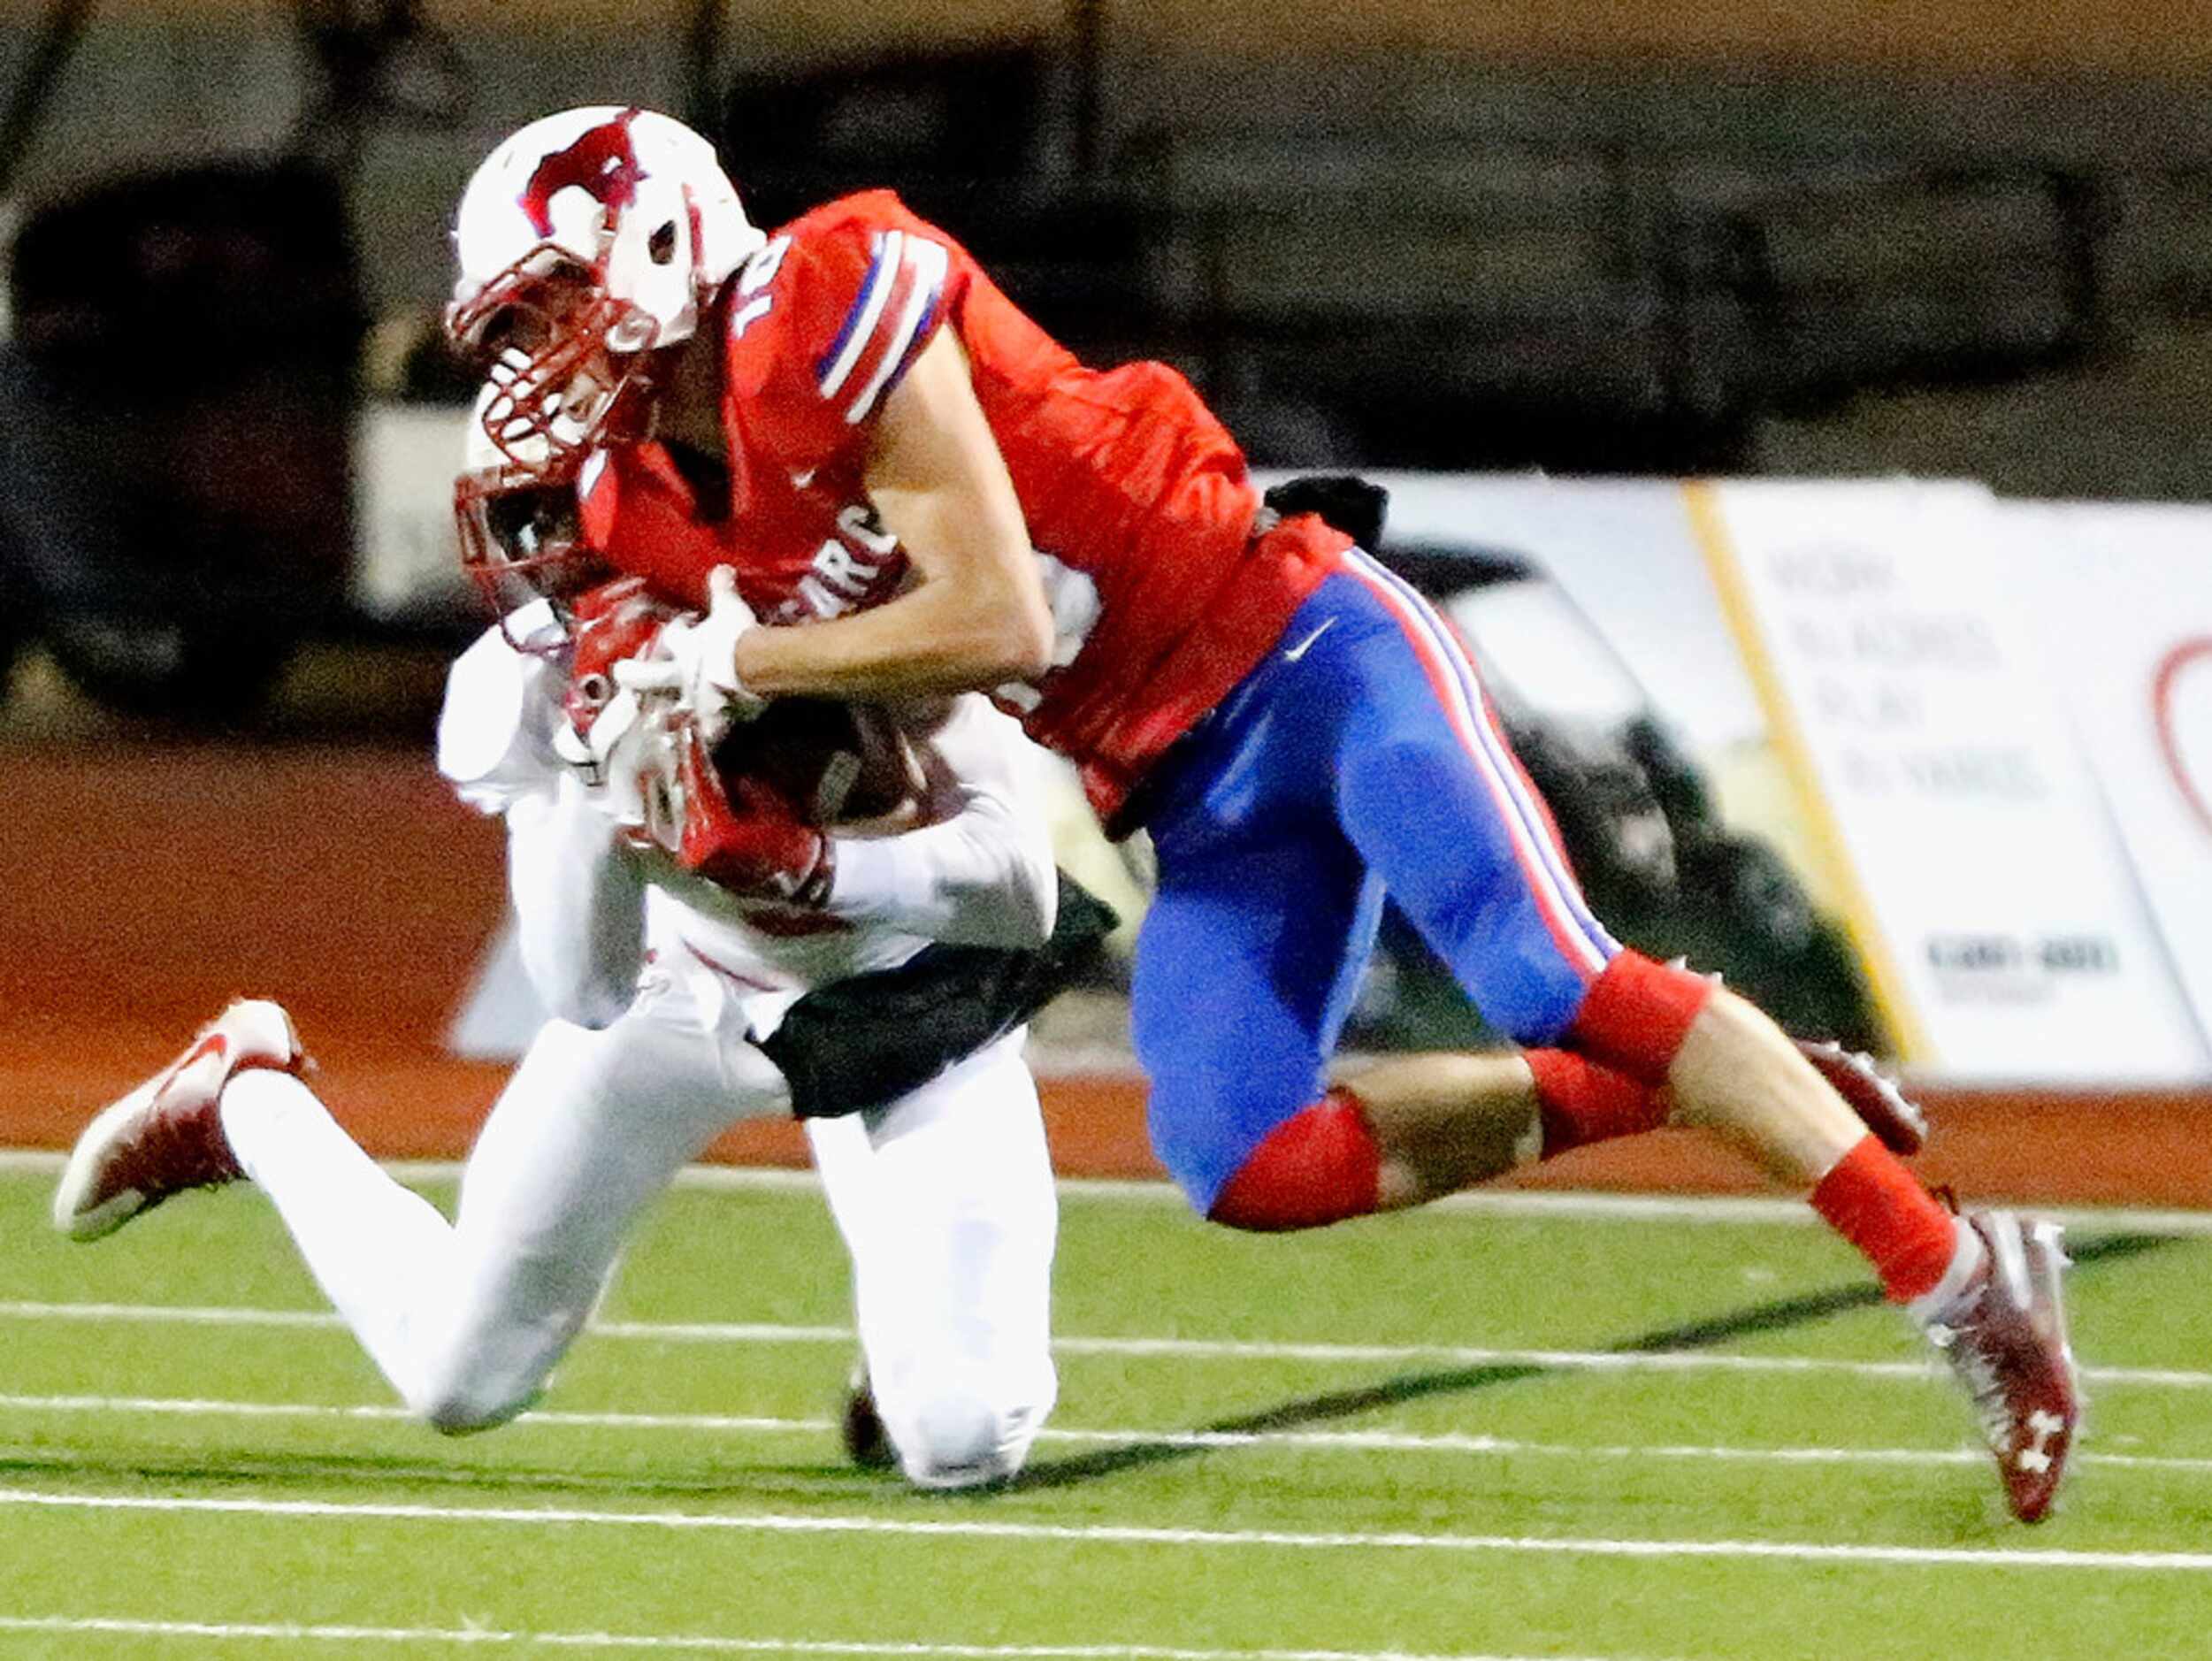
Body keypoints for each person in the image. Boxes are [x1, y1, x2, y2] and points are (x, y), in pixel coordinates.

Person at [439, 106, 2079, 1522]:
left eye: (553, 310)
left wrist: (736, 655)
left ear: (658, 237)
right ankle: (1706, 1083)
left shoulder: (823, 288)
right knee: (1248, 1157)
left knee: (1545, 973)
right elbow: (784, 667)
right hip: (1177, 778)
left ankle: (1953, 1274)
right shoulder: (684, 484)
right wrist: (646, 706)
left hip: (1305, 649)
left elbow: (997, 615)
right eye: (518, 332)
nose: (538, 362)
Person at [50, 439, 1116, 1491]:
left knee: (961, 1440)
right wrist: (597, 794)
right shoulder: (522, 687)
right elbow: (584, 990)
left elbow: (1014, 891)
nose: (561, 578)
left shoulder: (852, 588)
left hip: (909, 1006)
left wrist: (805, 865)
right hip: (682, 991)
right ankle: (247, 1101)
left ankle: (914, 1354)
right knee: (458, 1379)